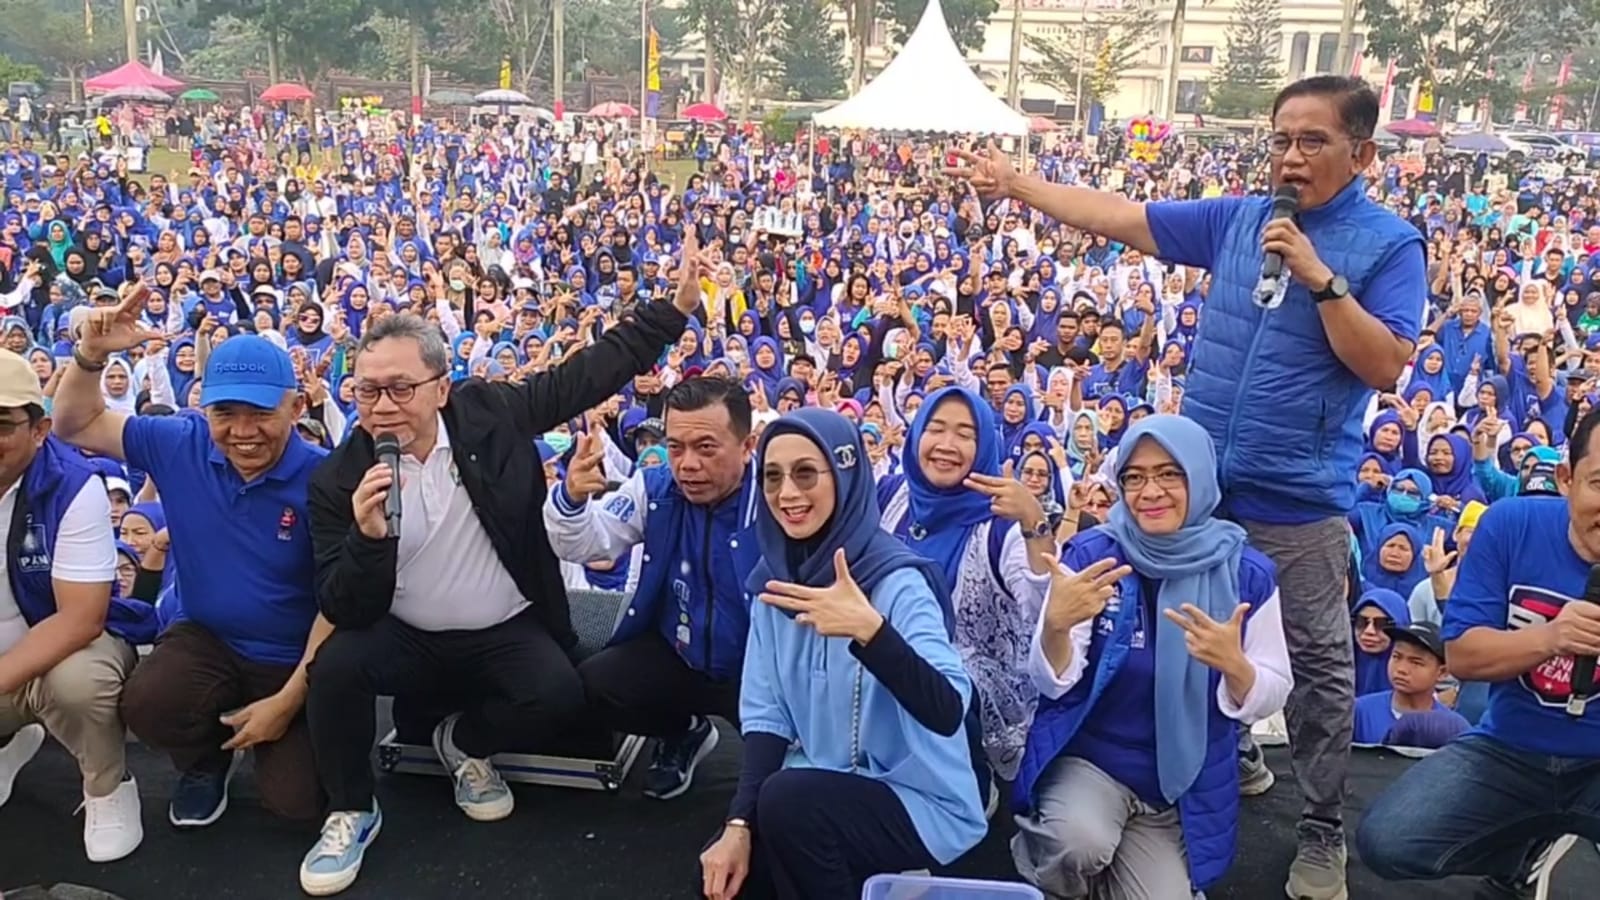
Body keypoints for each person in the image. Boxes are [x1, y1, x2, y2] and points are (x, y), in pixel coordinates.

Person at [949, 75, 1426, 900]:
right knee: (1175, 632)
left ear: (1363, 152)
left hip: (1297, 496)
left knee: (1314, 666)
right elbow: (1120, 217)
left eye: (1313, 140)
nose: (1290, 155)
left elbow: (1385, 363)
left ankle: (1320, 830)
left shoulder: (1389, 245)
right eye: (1280, 138)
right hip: (1201, 483)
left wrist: (1322, 279)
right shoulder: (1240, 220)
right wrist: (1021, 185)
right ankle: (1226, 752)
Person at [298, 239, 708, 897]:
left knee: (561, 695)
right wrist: (368, 539)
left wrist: (673, 311)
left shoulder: (489, 412)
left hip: (506, 625)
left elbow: (587, 374)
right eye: (368, 389)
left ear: (441, 387)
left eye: (401, 388)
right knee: (336, 670)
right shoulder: (339, 477)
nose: (382, 405)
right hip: (407, 634)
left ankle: (466, 744)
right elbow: (342, 605)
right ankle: (351, 808)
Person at [50, 291, 332, 831]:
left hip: (294, 655)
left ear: (296, 408)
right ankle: (207, 761)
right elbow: (73, 423)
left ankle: (276, 731)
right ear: (204, 408)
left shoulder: (324, 478)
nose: (243, 432)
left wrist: (290, 698)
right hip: (206, 637)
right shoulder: (179, 442)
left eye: (261, 413)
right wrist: (90, 357)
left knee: (301, 803)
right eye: (226, 413)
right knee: (150, 702)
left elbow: (340, 606)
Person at [698, 407, 985, 900]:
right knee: (726, 879)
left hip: (919, 799)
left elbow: (946, 709)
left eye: (807, 473)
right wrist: (738, 825)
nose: (787, 493)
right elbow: (767, 720)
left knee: (791, 803)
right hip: (820, 783)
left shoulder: (897, 582)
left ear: (846, 473)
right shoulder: (774, 581)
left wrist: (872, 632)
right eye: (772, 476)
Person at [1011, 414, 1292, 900]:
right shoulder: (1094, 554)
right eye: (1134, 477)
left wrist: (1236, 667)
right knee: (1078, 844)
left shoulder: (1246, 573)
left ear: (1200, 477)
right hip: (1094, 761)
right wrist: (1055, 624)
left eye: (1169, 474)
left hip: (1177, 785)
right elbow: (1053, 682)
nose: (1150, 491)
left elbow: (1273, 688)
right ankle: (1061, 874)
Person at [1356, 406, 1600, 896]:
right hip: (1510, 749)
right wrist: (1550, 637)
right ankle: (1523, 848)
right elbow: (1463, 657)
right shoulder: (1512, 524)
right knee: (1387, 841)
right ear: (1566, 478)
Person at [544, 377, 760, 801]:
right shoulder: (656, 487)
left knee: (780, 791)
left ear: (748, 446)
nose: (688, 464)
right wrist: (571, 499)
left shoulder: (777, 498)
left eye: (706, 447)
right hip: (678, 650)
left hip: (757, 669)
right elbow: (590, 543)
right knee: (598, 685)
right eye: (676, 447)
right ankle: (683, 733)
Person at [0, 348, 142, 862]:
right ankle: (9, 743)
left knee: (80, 681)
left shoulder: (73, 487)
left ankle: (107, 788)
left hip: (57, 649)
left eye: (1, 423)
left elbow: (82, 618)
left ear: (39, 430)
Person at [876, 385, 1055, 790]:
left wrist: (1034, 521)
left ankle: (973, 775)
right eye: (935, 428)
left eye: (965, 434)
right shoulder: (895, 496)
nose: (946, 445)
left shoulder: (1000, 523)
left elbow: (1041, 609)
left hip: (970, 681)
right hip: (888, 654)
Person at [1350, 621, 1467, 748]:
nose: (1401, 669)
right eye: (1396, 657)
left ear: (1442, 672)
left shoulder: (1451, 727)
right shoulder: (1358, 712)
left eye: (1416, 662)